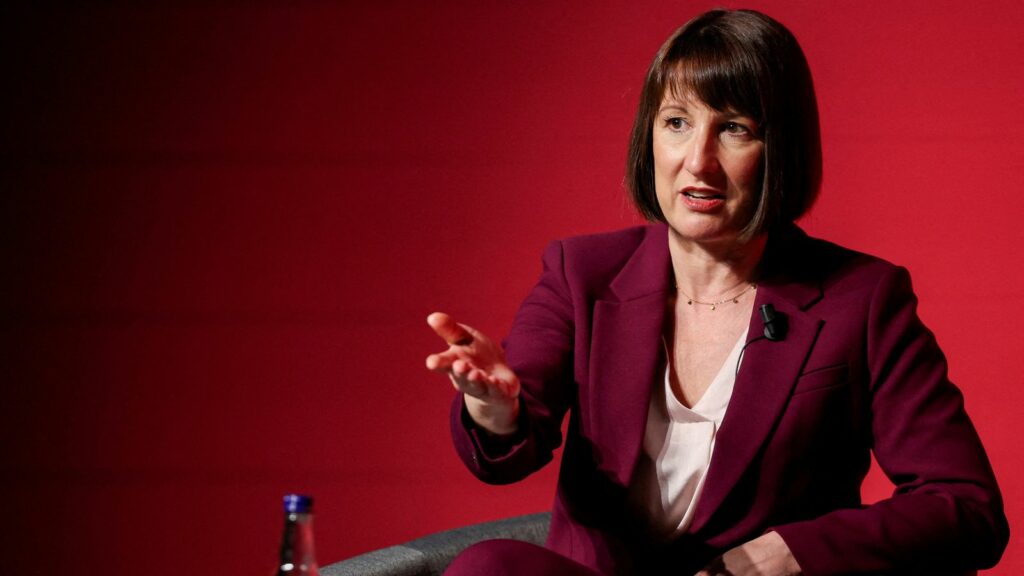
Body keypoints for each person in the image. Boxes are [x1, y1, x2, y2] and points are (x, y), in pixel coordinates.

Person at [425, 9, 1008, 576]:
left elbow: (965, 507)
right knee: (488, 566)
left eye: (733, 128)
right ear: (648, 136)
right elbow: (509, 449)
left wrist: (789, 554)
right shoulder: (582, 272)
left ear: (780, 149)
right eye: (676, 122)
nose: (697, 161)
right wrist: (496, 410)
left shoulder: (862, 299)